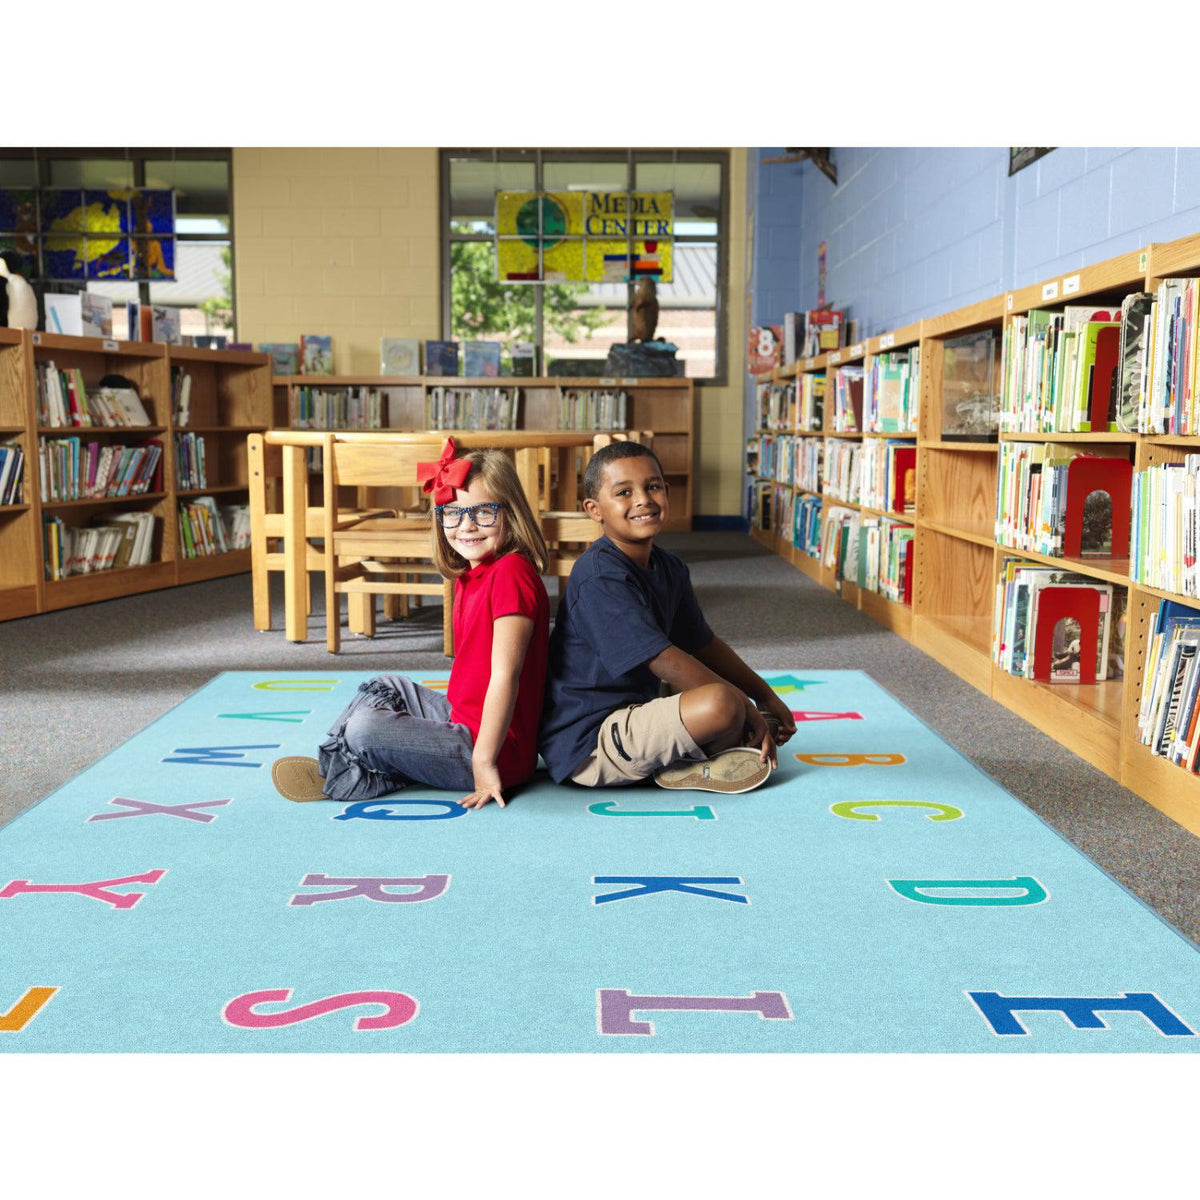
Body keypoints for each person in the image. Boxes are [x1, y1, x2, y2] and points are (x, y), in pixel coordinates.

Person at [271, 439, 550, 811]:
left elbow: (505, 677)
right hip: (462, 717)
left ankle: (358, 769)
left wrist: (483, 762)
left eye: (483, 513)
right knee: (385, 686)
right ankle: (353, 759)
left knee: (365, 728)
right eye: (451, 514)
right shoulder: (472, 573)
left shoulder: (512, 572)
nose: (466, 527)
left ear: (510, 513)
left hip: (494, 750)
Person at [538, 440, 796, 795]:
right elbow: (661, 659)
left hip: (640, 705)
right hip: (590, 741)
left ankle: (703, 748)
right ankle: (689, 761)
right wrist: (745, 707)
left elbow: (704, 644)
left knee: (725, 702)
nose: (643, 499)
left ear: (667, 492)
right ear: (594, 510)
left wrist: (764, 695)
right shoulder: (598, 576)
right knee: (722, 703)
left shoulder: (669, 566)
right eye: (624, 492)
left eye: (653, 486)